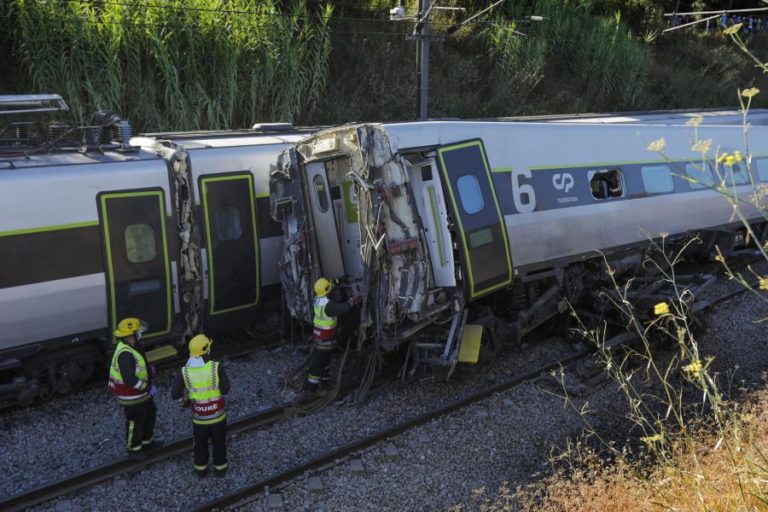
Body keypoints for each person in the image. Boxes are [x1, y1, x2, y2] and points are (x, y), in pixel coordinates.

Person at [171, 334, 230, 478]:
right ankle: (220, 469)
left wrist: (184, 403)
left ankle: (200, 470)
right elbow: (225, 390)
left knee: (200, 445)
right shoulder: (216, 367)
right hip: (217, 417)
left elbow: (175, 394)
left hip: (199, 419)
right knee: (219, 443)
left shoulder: (184, 371)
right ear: (206, 350)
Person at [107, 317, 158, 460]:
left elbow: (140, 363)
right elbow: (129, 379)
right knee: (136, 423)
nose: (140, 333)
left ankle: (147, 443)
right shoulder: (125, 354)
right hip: (132, 397)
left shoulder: (134, 346)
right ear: (130, 334)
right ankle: (134, 450)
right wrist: (147, 387)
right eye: (137, 332)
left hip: (142, 395)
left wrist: (149, 370)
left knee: (149, 416)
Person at [305, 277, 359, 395]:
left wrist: (337, 281)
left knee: (323, 361)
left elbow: (329, 287)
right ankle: (312, 388)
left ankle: (324, 381)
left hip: (319, 335)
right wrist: (352, 301)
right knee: (319, 363)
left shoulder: (318, 299)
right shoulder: (328, 306)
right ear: (326, 290)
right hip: (326, 339)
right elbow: (341, 308)